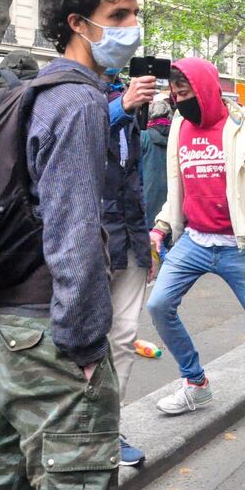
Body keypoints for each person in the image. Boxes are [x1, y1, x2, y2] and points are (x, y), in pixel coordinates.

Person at [0, 0, 138, 490]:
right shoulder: (78, 102)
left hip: (7, 327)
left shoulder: (36, 92)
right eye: (117, 15)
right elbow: (73, 230)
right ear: (76, 21)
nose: (130, 27)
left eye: (134, 13)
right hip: (49, 333)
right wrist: (86, 343)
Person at [146, 59, 245, 438]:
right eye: (174, 93)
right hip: (194, 241)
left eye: (184, 93)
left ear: (204, 89)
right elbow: (178, 187)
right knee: (158, 305)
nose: (177, 99)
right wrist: (161, 227)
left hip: (239, 246)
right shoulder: (179, 128)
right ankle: (196, 384)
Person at [103, 68, 156, 467]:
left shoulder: (130, 104)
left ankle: (109, 430)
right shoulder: (65, 92)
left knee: (123, 339)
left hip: (129, 237)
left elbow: (133, 180)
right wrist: (119, 106)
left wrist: (145, 243)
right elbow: (74, 133)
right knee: (82, 341)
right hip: (89, 242)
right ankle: (81, 431)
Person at [140, 96, 174, 241]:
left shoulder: (144, 137)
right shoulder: (176, 136)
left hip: (149, 195)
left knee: (152, 239)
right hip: (172, 196)